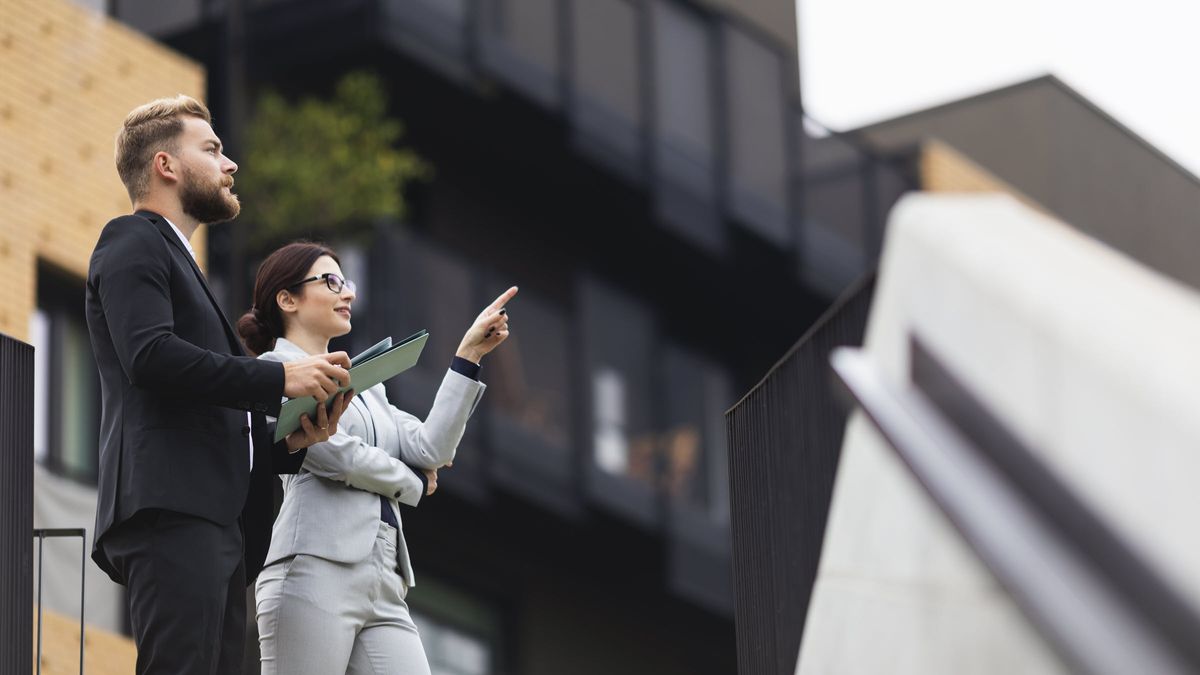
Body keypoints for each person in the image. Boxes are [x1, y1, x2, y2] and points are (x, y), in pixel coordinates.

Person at [85, 95, 357, 675]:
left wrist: (291, 441)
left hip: (219, 521)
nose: (230, 164)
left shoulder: (183, 263)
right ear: (166, 165)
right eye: (212, 149)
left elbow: (214, 410)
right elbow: (151, 357)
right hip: (173, 508)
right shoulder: (131, 239)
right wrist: (278, 376)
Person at [237, 241, 515, 674]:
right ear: (287, 299)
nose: (347, 292)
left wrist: (468, 357)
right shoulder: (277, 369)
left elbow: (431, 448)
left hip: (385, 577)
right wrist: (414, 482)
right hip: (314, 567)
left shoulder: (366, 384)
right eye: (331, 281)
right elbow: (337, 456)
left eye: (345, 282)